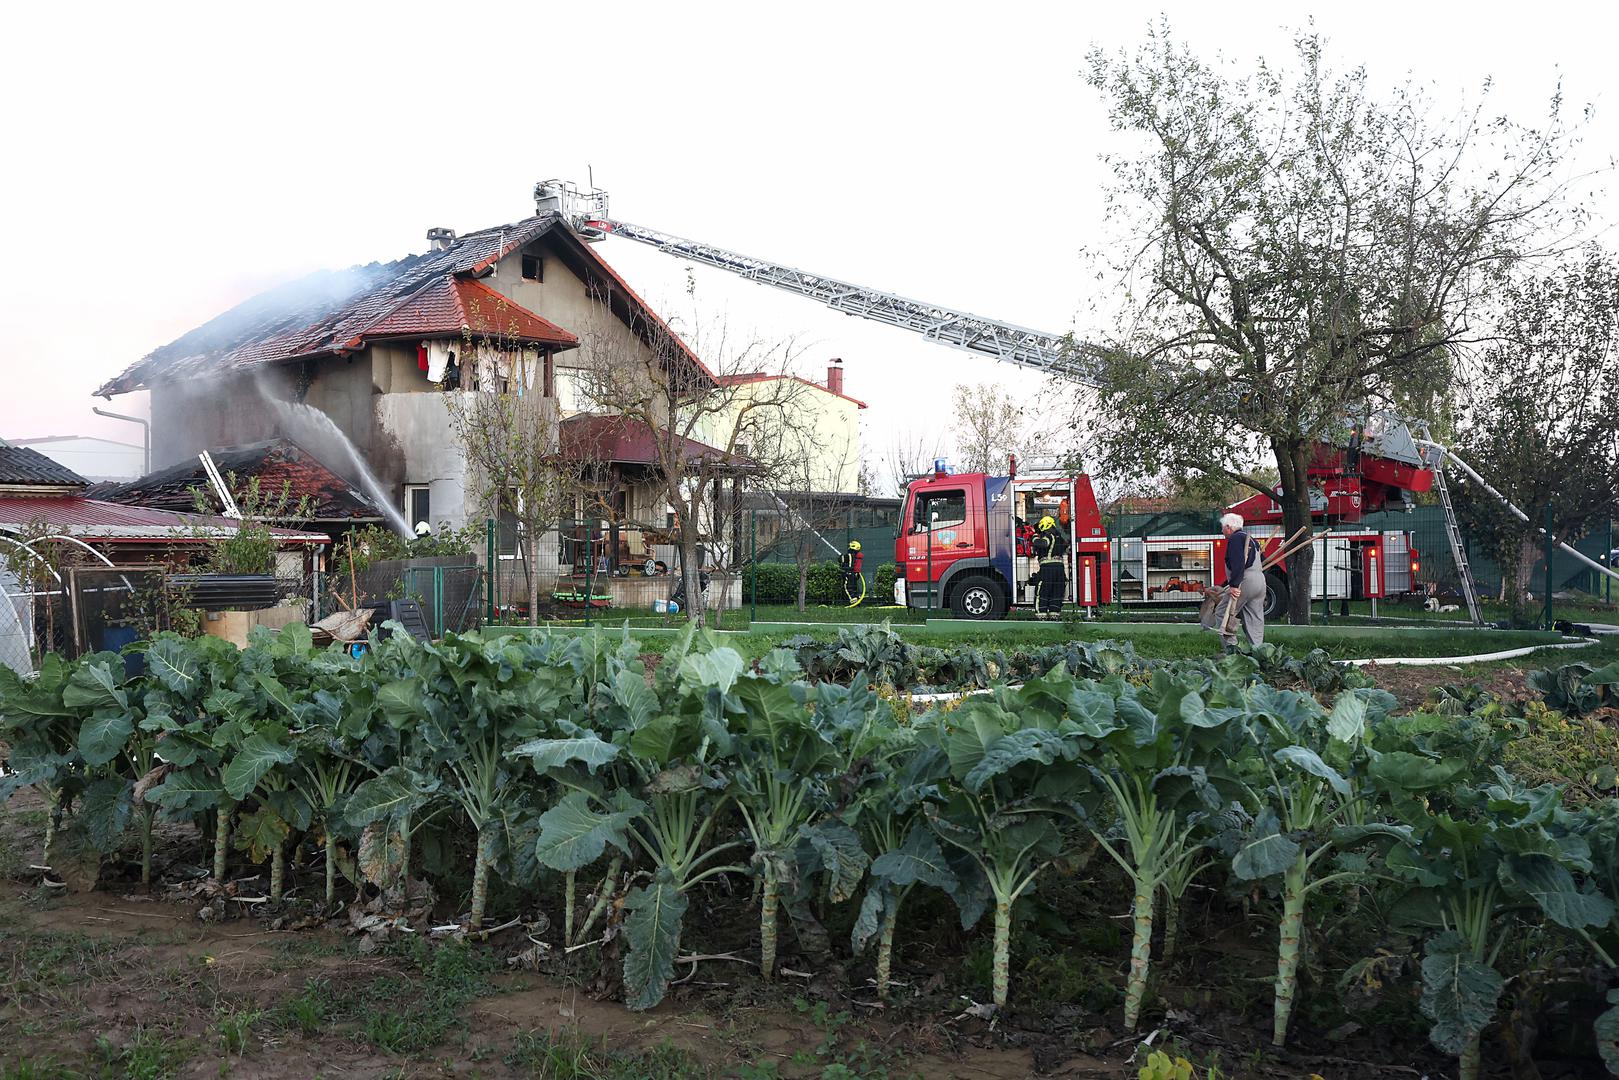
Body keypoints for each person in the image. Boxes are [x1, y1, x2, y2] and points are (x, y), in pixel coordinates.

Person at [1214, 512, 1266, 652]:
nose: (1222, 531)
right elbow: (1263, 559)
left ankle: (1232, 650)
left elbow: (1238, 563)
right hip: (1260, 581)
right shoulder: (1251, 539)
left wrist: (1234, 585)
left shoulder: (1236, 539)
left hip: (1245, 580)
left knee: (1223, 612)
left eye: (1223, 528)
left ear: (1229, 527)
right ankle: (1259, 651)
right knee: (1254, 617)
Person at [1029, 515, 1068, 619]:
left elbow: (1043, 543)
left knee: (1043, 591)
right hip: (1060, 569)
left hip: (1048, 568)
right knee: (1056, 592)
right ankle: (1054, 615)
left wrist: (1034, 536)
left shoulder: (1049, 535)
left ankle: (1041, 615)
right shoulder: (1060, 537)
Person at [840, 540, 866, 605]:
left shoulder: (850, 556)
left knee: (847, 587)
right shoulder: (858, 556)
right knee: (854, 587)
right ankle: (857, 598)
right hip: (855, 574)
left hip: (849, 573)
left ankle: (852, 599)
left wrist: (842, 557)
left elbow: (842, 560)